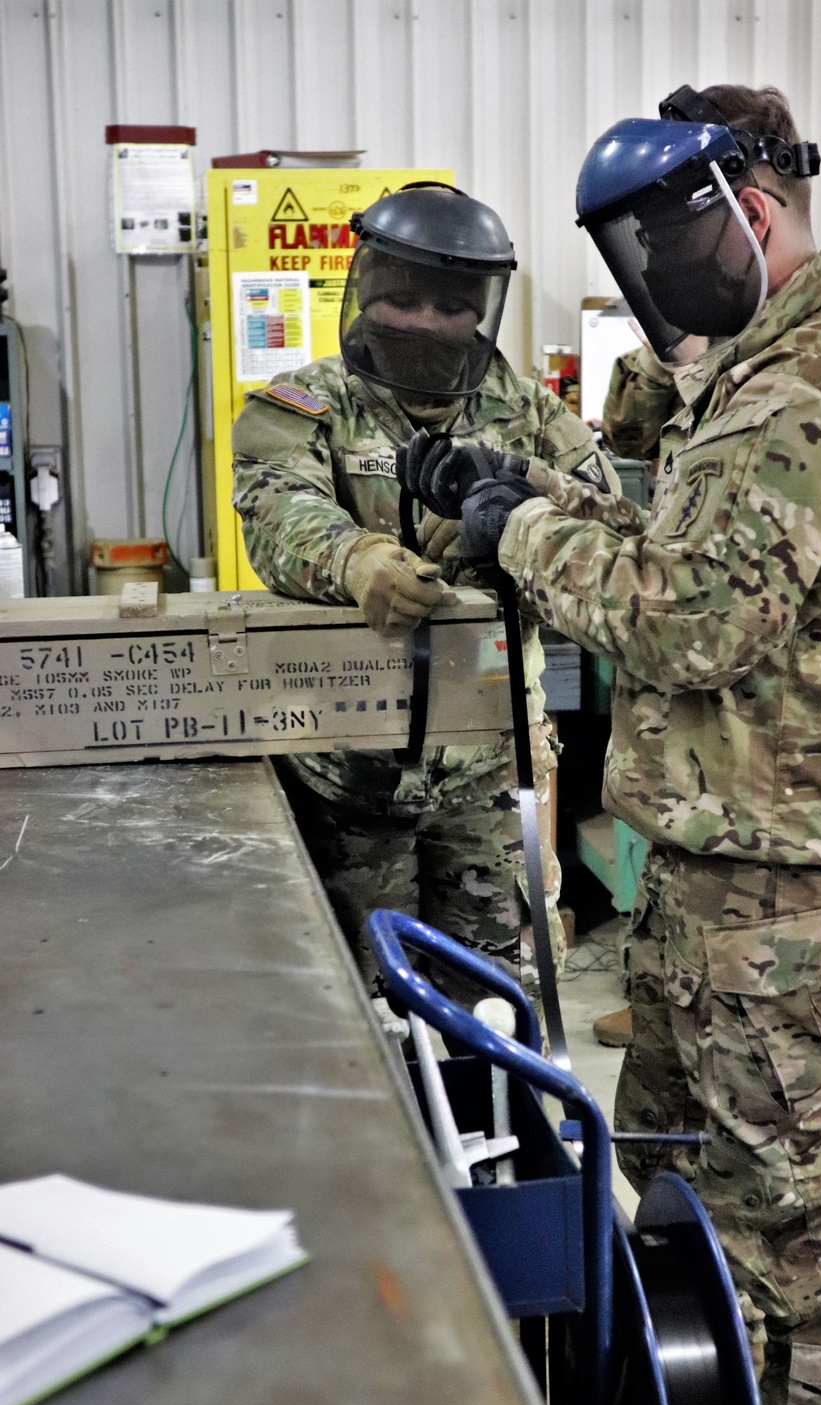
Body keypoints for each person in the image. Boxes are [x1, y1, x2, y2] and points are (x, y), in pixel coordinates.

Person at [400, 88, 821, 1405]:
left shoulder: (806, 381)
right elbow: (685, 545)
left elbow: (693, 620)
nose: (650, 286)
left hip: (779, 867)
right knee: (687, 1162)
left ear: (748, 216)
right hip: (716, 857)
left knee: (783, 1196)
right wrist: (532, 489)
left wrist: (518, 532)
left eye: (659, 244)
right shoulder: (758, 373)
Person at [231, 183, 618, 1010]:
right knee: (363, 1011)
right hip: (348, 774)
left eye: (449, 304)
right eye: (402, 298)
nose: (424, 321)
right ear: (365, 290)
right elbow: (275, 507)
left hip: (487, 772)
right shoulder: (304, 406)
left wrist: (515, 530)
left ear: (480, 309)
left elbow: (610, 546)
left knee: (489, 1002)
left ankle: (499, 1138)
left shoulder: (534, 420)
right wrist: (354, 557)